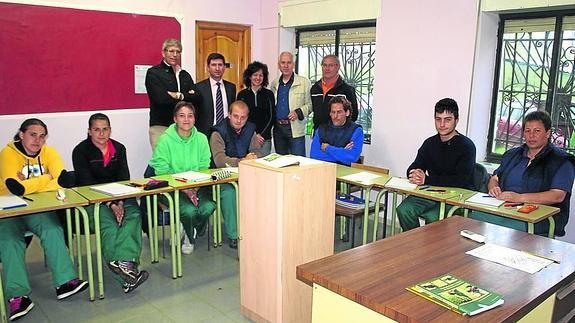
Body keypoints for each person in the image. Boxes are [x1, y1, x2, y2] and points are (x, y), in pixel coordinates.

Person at [0, 119, 88, 321]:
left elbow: (63, 181)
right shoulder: (7, 154)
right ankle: (18, 295)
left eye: (42, 136)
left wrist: (31, 183)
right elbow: (14, 187)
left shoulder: (49, 153)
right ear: (21, 135)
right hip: (7, 208)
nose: (37, 140)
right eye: (32, 134)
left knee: (52, 229)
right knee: (9, 241)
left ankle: (65, 282)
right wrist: (46, 178)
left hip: (37, 207)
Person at [72, 113, 149, 293]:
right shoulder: (80, 151)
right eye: (96, 129)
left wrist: (120, 201)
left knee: (135, 216)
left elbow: (124, 177)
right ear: (89, 131)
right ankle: (127, 273)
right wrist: (111, 204)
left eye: (105, 129)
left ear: (110, 130)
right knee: (109, 225)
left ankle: (123, 264)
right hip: (94, 200)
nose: (101, 133)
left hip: (121, 196)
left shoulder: (119, 148)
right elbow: (86, 182)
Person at [474, 110, 575, 237]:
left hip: (536, 218)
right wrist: (494, 187)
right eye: (527, 131)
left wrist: (519, 198)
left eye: (537, 131)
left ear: (548, 133)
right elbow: (495, 177)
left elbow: (557, 196)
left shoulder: (562, 160)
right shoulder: (512, 154)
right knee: (472, 217)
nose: (531, 135)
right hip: (504, 209)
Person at [396, 98, 476, 232]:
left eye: (447, 119)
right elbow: (416, 165)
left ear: (456, 120)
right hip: (432, 192)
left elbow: (461, 180)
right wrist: (414, 173)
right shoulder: (430, 143)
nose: (442, 124)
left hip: (457, 197)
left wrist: (426, 180)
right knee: (404, 210)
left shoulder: (466, 146)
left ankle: (429, 249)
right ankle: (414, 244)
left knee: (433, 218)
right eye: (438, 119)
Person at [148, 101, 216, 254]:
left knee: (208, 206)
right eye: (182, 116)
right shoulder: (165, 140)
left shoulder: (202, 139)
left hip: (198, 185)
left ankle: (186, 226)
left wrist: (195, 188)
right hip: (172, 188)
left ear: (195, 118)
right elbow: (161, 171)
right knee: (189, 211)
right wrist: (186, 190)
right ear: (175, 119)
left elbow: (204, 167)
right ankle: (190, 237)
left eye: (190, 116)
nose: (186, 120)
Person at [210, 101, 263, 248]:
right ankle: (234, 235)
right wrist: (242, 161)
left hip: (245, 173)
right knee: (230, 193)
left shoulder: (250, 130)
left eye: (243, 117)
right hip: (221, 176)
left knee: (263, 188)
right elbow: (220, 160)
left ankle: (256, 230)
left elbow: (257, 151)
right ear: (229, 115)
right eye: (235, 116)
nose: (239, 121)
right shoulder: (217, 132)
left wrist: (254, 156)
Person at [146, 38, 200, 150]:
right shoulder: (154, 73)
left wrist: (179, 95)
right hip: (162, 126)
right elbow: (161, 99)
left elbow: (197, 97)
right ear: (163, 53)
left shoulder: (184, 75)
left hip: (183, 127)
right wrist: (186, 98)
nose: (175, 54)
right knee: (163, 162)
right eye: (171, 51)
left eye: (178, 51)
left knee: (182, 161)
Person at [270, 52, 312, 157]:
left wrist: (298, 112)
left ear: (293, 64)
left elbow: (311, 105)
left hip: (295, 129)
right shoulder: (275, 83)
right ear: (279, 65)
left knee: (299, 162)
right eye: (283, 63)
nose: (286, 66)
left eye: (289, 63)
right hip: (278, 129)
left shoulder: (304, 82)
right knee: (280, 162)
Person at [237, 61, 276, 156]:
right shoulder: (242, 95)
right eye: (255, 75)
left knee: (263, 167)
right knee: (248, 165)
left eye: (261, 75)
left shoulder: (269, 94)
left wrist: (260, 134)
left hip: (264, 139)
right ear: (250, 76)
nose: (258, 78)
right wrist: (253, 134)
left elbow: (271, 117)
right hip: (247, 137)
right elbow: (241, 117)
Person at [310, 96, 363, 165]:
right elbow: (314, 156)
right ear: (330, 113)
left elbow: (352, 158)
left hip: (346, 171)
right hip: (324, 169)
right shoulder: (321, 129)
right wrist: (342, 152)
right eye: (333, 112)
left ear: (347, 113)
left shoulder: (356, 131)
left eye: (339, 112)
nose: (335, 116)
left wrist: (327, 148)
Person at [310, 54, 358, 130]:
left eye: (331, 65)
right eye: (324, 65)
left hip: (338, 134)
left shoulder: (347, 90)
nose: (327, 68)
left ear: (338, 67)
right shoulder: (315, 88)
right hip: (318, 133)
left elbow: (353, 115)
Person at [195, 53, 237, 137]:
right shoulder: (198, 88)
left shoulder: (231, 87)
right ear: (208, 68)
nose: (217, 68)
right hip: (205, 133)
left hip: (227, 133)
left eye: (220, 65)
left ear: (224, 67)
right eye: (214, 65)